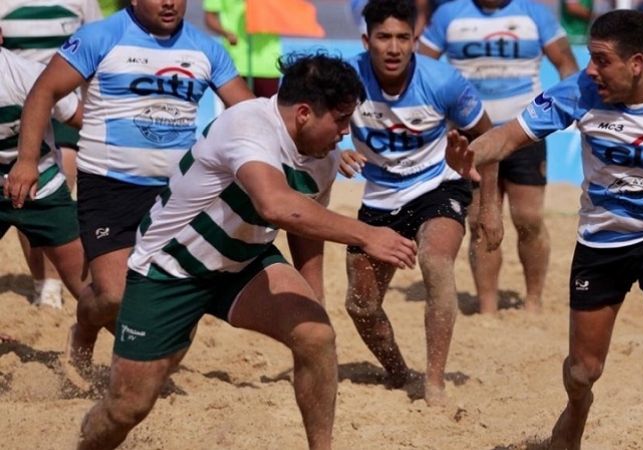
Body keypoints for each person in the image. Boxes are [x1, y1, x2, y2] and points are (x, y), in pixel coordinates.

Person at [445, 10, 643, 449]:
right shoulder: (580, 91)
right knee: (583, 370)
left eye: (600, 59)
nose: (589, 69)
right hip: (602, 240)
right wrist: (472, 155)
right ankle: (576, 410)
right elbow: (510, 137)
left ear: (636, 63)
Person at [75, 53, 418, 450]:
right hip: (170, 269)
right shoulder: (248, 123)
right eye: (340, 120)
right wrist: (366, 235)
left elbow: (305, 221)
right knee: (128, 407)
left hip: (244, 261)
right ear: (304, 113)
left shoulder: (322, 157)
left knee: (316, 336)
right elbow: (276, 205)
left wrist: (313, 294)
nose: (346, 131)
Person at [6, 0, 254, 380]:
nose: (169, 2)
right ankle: (84, 330)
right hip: (109, 187)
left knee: (173, 316)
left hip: (178, 193)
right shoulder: (101, 36)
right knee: (113, 295)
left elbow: (248, 115)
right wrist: (26, 160)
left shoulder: (206, 49)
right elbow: (43, 92)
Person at [339, 0, 498, 406]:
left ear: (414, 41)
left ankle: (435, 382)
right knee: (360, 304)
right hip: (379, 197)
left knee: (435, 260)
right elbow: (311, 126)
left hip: (438, 186)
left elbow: (489, 138)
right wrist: (333, 153)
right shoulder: (346, 79)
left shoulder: (444, 81)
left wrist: (489, 207)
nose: (393, 48)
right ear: (366, 40)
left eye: (402, 38)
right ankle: (397, 371)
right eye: (383, 37)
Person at [419, 0, 579, 315]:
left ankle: (533, 301)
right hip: (471, 135)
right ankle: (487, 308)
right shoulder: (449, 14)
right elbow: (421, 67)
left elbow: (566, 63)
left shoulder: (533, 13)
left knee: (528, 220)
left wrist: (571, 107)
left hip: (524, 132)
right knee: (479, 221)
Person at [0, 0, 103, 308]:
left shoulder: (26, 76)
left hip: (40, 182)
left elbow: (79, 116)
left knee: (93, 292)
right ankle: (44, 284)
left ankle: (113, 339)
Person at [203, 0, 282, 97]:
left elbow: (285, 11)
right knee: (236, 110)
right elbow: (210, 17)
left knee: (267, 110)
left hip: (267, 63)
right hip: (235, 64)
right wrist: (226, 33)